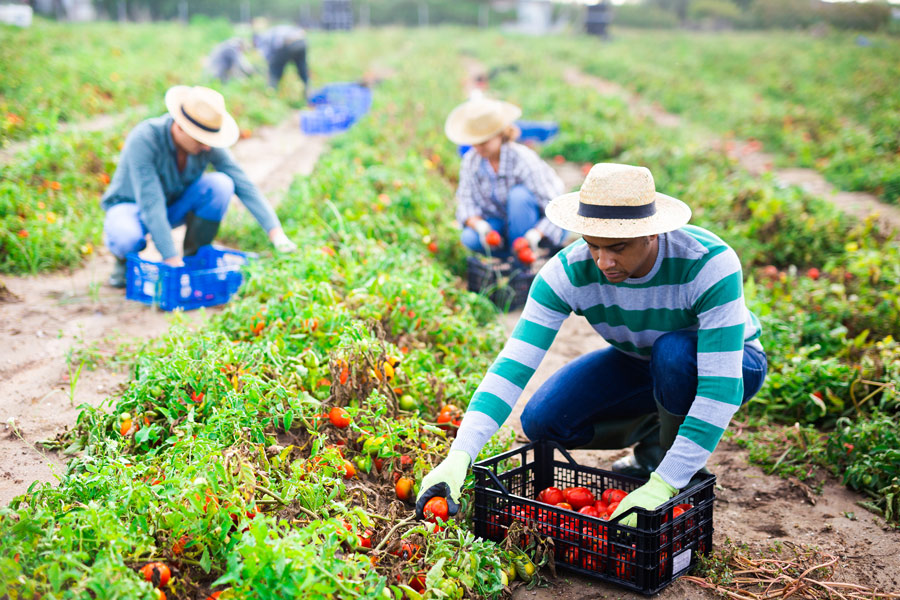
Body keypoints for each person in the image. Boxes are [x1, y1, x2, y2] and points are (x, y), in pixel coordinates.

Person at [415, 163, 768, 526]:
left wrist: (663, 484)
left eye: (618, 247)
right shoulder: (567, 272)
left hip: (732, 363)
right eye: (593, 245)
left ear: (652, 233)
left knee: (673, 353)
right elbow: (513, 366)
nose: (604, 262)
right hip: (638, 361)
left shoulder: (707, 263)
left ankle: (669, 464)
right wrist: (460, 455)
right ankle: (656, 437)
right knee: (543, 422)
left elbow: (720, 387)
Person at [101, 85, 297, 288]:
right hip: (131, 208)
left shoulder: (205, 144)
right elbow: (151, 203)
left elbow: (242, 183)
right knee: (126, 237)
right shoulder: (145, 139)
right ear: (179, 126)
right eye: (201, 140)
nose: (207, 147)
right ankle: (123, 263)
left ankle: (195, 259)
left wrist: (277, 234)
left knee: (221, 185)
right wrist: (171, 259)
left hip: (173, 205)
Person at [445, 97, 568, 261]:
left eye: (484, 141)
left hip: (535, 223)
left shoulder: (523, 159)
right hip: (501, 224)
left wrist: (535, 234)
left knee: (519, 196)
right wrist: (481, 226)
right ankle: (513, 256)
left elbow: (556, 208)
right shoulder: (471, 162)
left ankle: (528, 253)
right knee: (469, 238)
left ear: (500, 134)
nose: (479, 147)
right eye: (475, 142)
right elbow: (466, 203)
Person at [252, 23, 309, 97]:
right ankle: (308, 91)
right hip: (302, 42)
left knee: (274, 68)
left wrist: (270, 68)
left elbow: (268, 56)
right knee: (302, 68)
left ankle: (271, 91)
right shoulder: (272, 31)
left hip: (289, 42)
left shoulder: (263, 39)